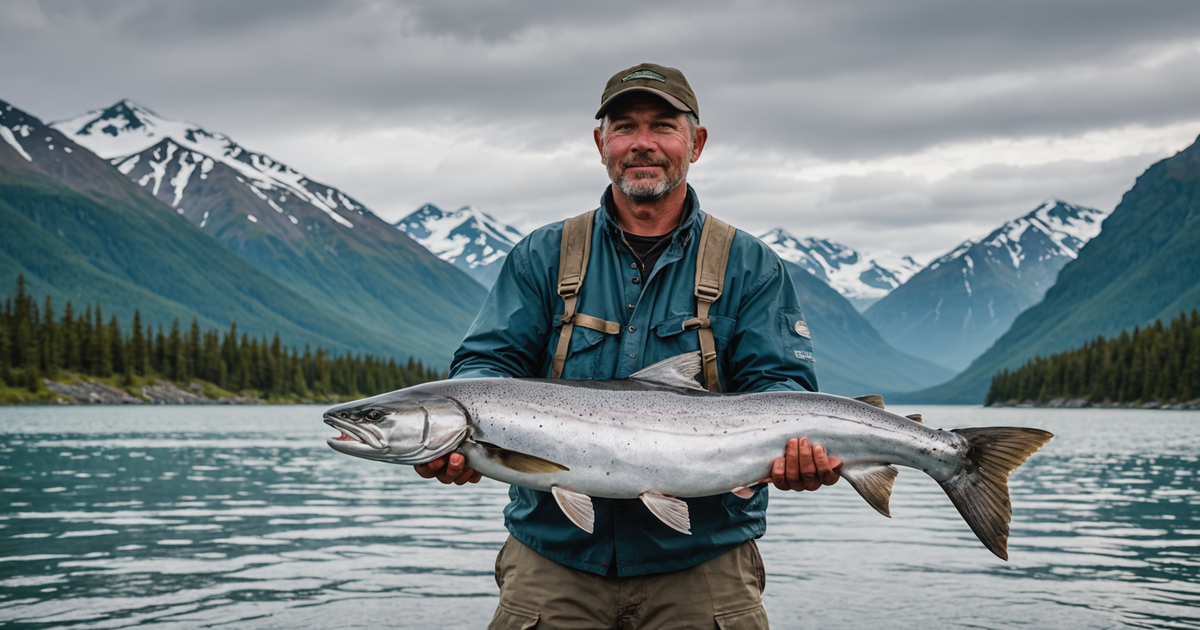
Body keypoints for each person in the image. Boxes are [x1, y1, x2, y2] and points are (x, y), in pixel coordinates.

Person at [416, 63, 840, 629]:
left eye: (663, 126)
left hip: (704, 563)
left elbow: (782, 387)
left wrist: (800, 453)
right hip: (553, 559)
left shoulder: (751, 264)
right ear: (601, 143)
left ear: (697, 142)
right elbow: (484, 368)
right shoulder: (541, 255)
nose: (642, 144)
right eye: (624, 127)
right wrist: (456, 442)